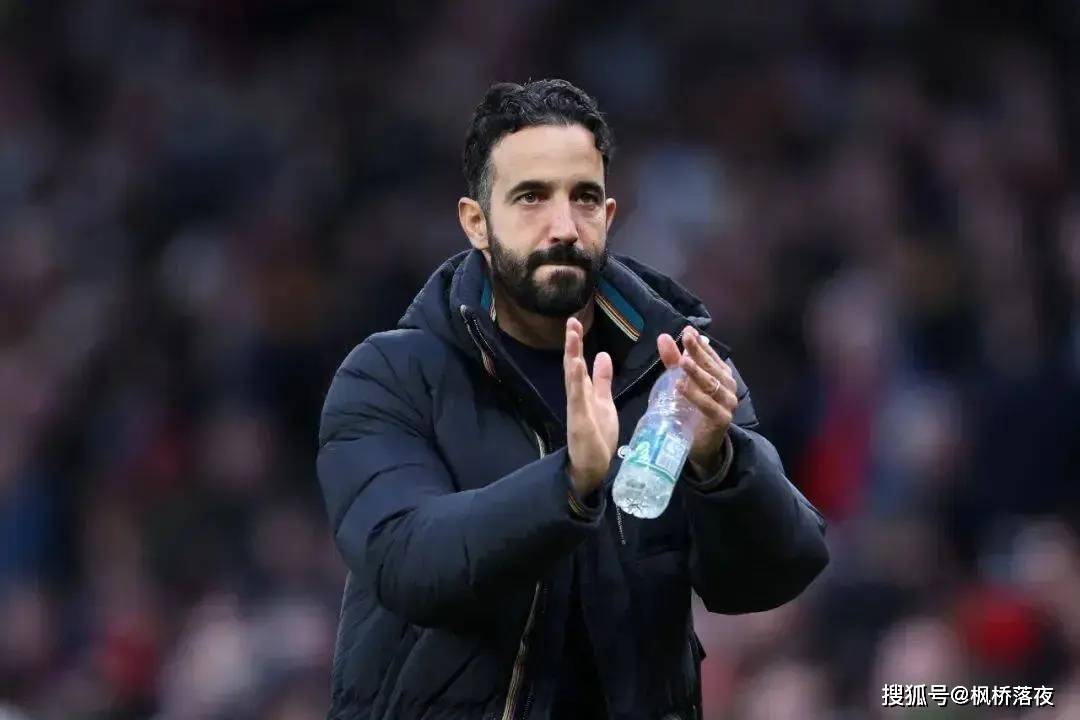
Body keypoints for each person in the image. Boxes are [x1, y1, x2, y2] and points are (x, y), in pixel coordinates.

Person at [316, 78, 829, 720]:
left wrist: (722, 467)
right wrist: (568, 483)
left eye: (583, 198)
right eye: (531, 197)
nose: (564, 226)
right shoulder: (389, 376)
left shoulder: (678, 369)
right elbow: (408, 564)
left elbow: (769, 578)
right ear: (476, 222)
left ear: (608, 216)